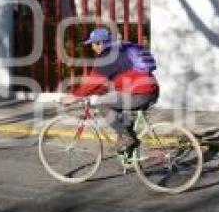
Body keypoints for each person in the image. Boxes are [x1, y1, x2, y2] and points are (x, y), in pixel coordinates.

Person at [62, 28, 159, 157]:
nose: (92, 48)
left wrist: (74, 97)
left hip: (139, 94)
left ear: (100, 43)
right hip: (150, 91)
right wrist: (95, 93)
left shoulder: (107, 57)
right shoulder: (120, 50)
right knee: (122, 117)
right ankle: (128, 150)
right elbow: (104, 83)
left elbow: (93, 82)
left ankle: (126, 138)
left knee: (102, 104)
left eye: (93, 44)